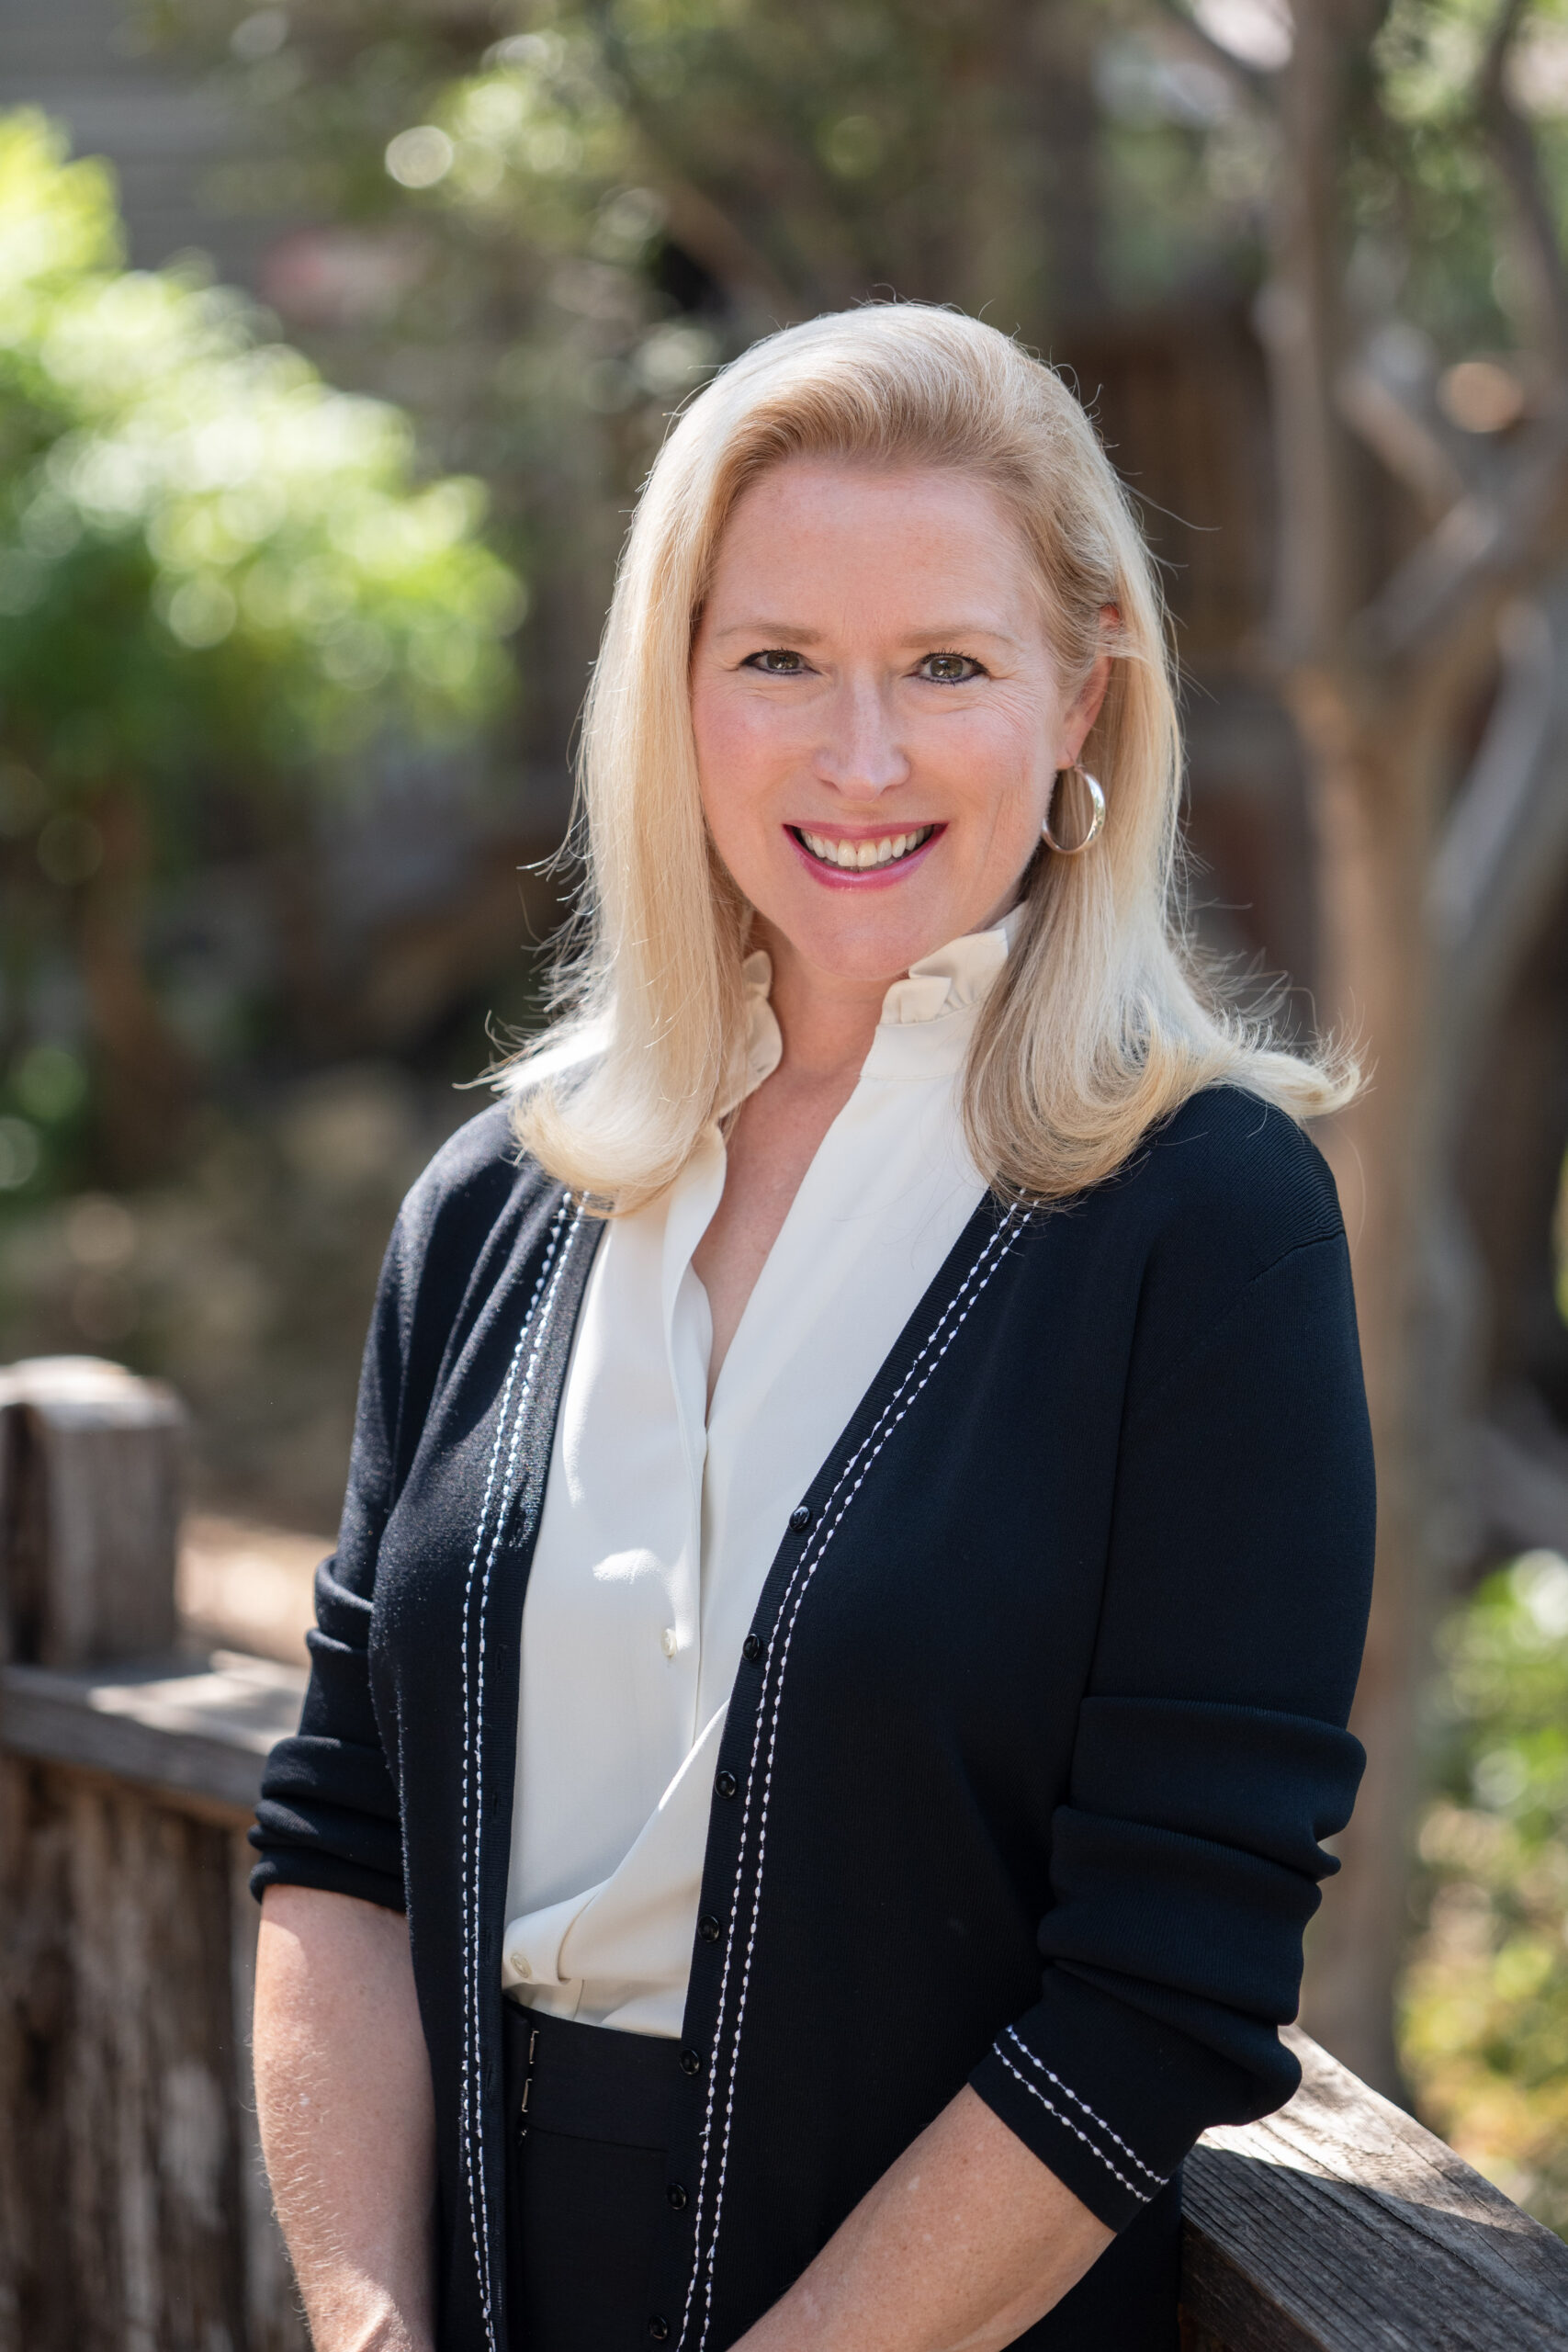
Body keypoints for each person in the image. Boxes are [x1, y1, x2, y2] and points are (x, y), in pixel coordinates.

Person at [249, 303, 1375, 2352]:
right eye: (777, 658)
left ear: (1081, 694)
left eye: (946, 665)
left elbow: (1170, 1975)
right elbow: (343, 1833)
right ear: (673, 689)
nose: (861, 758)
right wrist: (366, 2320)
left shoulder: (1206, 1221)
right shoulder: (498, 1201)